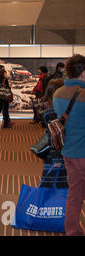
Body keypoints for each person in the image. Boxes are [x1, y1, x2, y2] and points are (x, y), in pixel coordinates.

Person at [52, 54, 85, 236]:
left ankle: (72, 231)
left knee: (74, 195)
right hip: (83, 152)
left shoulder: (58, 93)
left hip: (68, 152)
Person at [41, 79, 67, 189]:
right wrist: (57, 159)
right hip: (57, 155)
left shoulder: (50, 110)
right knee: (56, 185)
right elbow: (54, 137)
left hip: (56, 154)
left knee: (52, 184)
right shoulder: (54, 112)